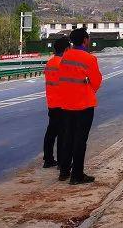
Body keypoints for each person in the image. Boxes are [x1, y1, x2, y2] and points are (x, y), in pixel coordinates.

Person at [57, 28, 102, 185]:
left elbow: (62, 79)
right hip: (84, 105)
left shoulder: (65, 57)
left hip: (66, 104)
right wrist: (88, 87)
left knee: (68, 137)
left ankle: (64, 171)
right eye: (88, 38)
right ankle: (77, 175)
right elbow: (96, 82)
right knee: (80, 140)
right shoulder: (89, 58)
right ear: (85, 40)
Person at [43, 36, 69, 169]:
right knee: (63, 134)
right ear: (66, 49)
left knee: (51, 132)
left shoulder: (50, 63)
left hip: (52, 103)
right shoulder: (63, 64)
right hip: (63, 103)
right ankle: (61, 162)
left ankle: (48, 160)